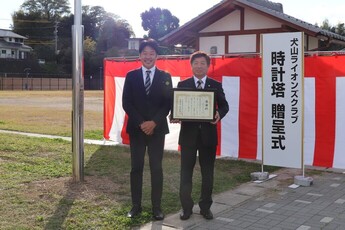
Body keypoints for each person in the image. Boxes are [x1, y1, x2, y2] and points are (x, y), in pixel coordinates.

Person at [174, 51, 229, 220]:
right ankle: (187, 208)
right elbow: (176, 105)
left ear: (208, 66)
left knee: (208, 173)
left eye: (202, 63)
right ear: (191, 65)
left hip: (208, 137)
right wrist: (175, 115)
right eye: (196, 63)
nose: (199, 66)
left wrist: (219, 113)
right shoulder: (183, 85)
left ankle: (205, 207)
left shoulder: (215, 85)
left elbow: (225, 106)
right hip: (188, 136)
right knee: (185, 173)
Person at [122, 39, 172, 220]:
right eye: (145, 53)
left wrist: (153, 123)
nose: (148, 56)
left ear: (157, 56)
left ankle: (156, 208)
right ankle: (136, 206)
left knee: (156, 168)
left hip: (157, 130)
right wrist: (142, 123)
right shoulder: (131, 76)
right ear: (140, 55)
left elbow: (168, 104)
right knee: (136, 168)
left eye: (152, 53)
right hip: (137, 130)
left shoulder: (165, 76)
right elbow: (126, 102)